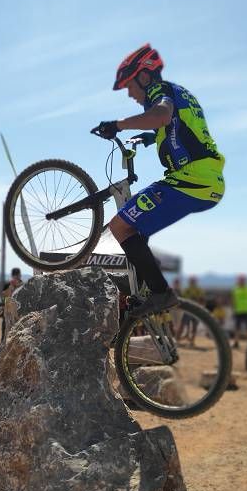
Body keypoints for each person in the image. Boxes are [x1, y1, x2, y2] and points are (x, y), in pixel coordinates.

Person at [93, 43, 224, 318]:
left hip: (191, 181)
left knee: (120, 227)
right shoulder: (178, 93)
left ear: (144, 76)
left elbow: (162, 115)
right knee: (136, 232)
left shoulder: (160, 91)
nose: (129, 94)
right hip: (205, 181)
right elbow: (176, 125)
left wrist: (117, 124)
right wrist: (151, 137)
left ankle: (161, 293)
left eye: (129, 86)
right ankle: (149, 294)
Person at [231, 274, 247, 349]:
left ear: (245, 281)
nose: (241, 281)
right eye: (240, 280)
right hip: (238, 311)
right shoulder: (235, 289)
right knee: (237, 328)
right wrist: (233, 310)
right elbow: (233, 301)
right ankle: (236, 343)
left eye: (242, 280)